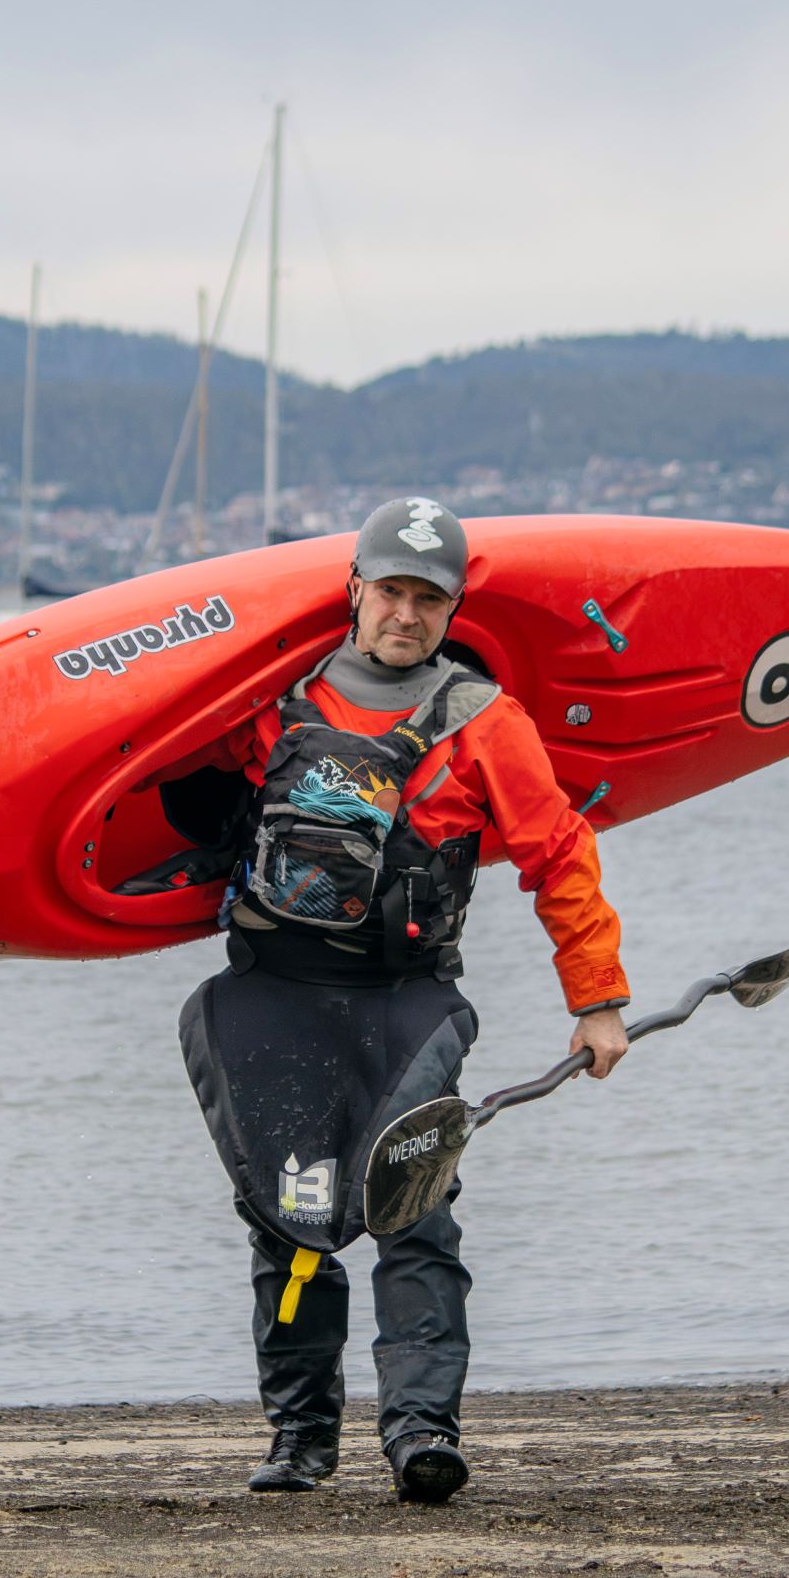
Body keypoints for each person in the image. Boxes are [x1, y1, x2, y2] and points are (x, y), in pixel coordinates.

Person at [169, 497, 628, 1503]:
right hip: (277, 994)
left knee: (412, 1210)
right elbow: (168, 779)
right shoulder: (268, 702)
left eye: (428, 598)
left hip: (404, 1002)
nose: (406, 614)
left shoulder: (481, 721)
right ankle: (300, 1439)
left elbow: (558, 856)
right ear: (354, 593)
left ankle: (421, 1431)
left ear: (451, 608)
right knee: (287, 1221)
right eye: (390, 592)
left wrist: (595, 1001)